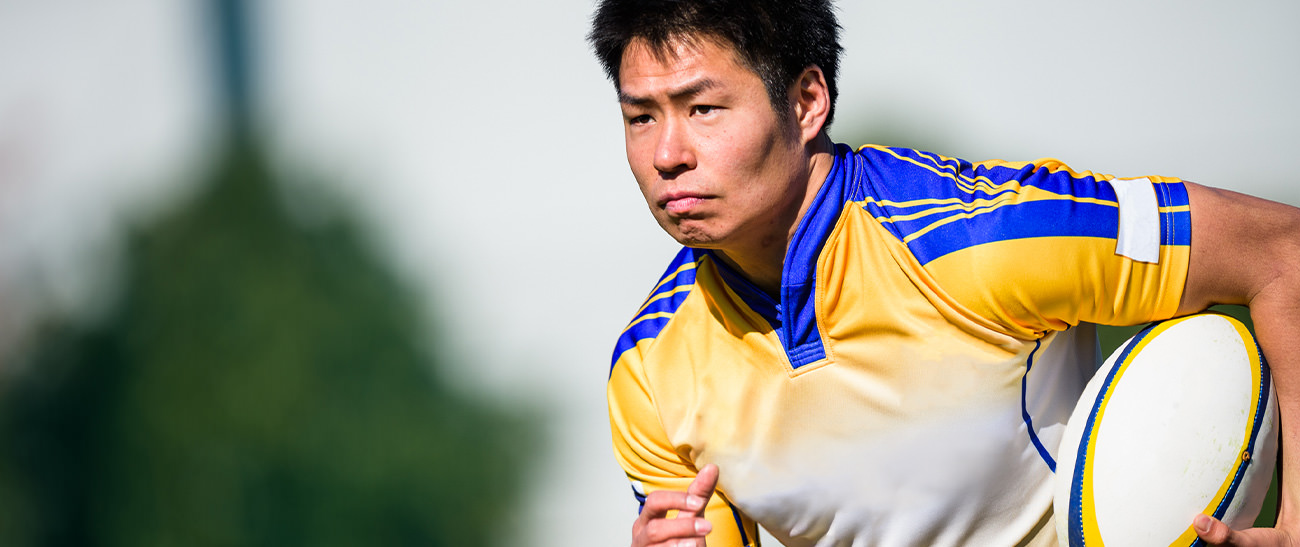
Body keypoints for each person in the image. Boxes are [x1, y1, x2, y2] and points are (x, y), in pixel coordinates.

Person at [588, 1, 1300, 545]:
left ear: (807, 102)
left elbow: (1281, 251)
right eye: (640, 117)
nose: (668, 153)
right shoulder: (650, 372)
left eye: (703, 108)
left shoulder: (983, 235)